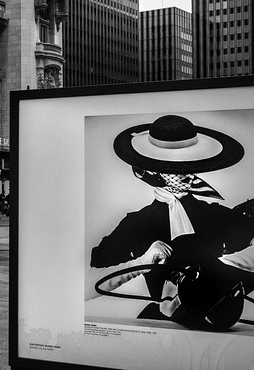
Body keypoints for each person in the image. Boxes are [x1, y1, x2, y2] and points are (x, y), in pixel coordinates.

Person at [90, 113, 254, 329]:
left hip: (219, 322)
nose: (189, 175)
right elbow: (89, 284)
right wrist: (140, 263)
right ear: (151, 170)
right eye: (176, 167)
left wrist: (223, 270)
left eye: (191, 165)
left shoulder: (214, 214)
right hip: (167, 328)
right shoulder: (137, 224)